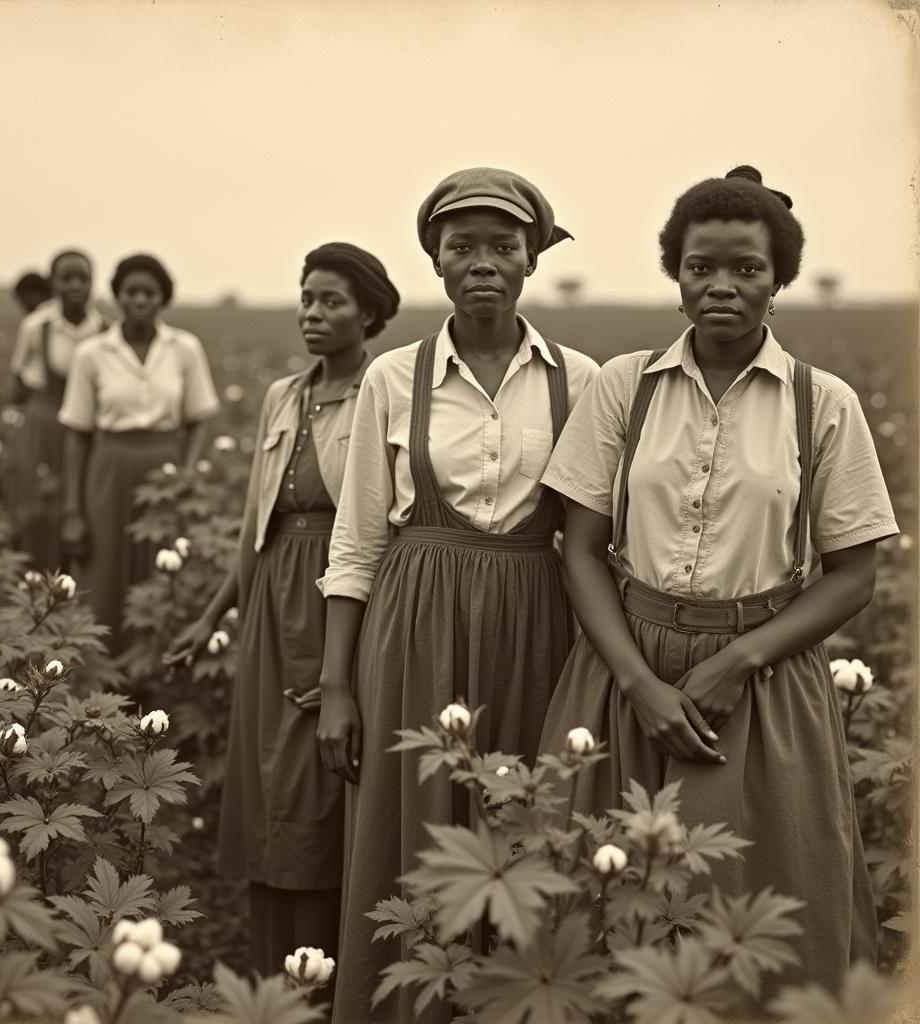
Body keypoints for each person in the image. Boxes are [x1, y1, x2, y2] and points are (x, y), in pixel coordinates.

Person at [537, 166, 898, 999]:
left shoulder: (823, 403)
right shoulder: (624, 387)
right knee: (602, 904)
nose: (722, 286)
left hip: (763, 681)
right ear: (677, 275)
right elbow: (581, 550)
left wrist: (739, 663)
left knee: (757, 911)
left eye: (748, 269)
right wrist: (640, 686)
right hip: (622, 671)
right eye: (701, 267)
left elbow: (853, 576)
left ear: (779, 281)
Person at [316, 168, 600, 1023]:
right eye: (462, 246)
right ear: (434, 261)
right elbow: (359, 537)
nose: (483, 262)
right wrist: (336, 685)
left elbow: (590, 536)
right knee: (418, 820)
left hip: (533, 618)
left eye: (503, 246)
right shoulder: (393, 379)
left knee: (522, 822)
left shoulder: (577, 379)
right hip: (417, 618)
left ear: (531, 258)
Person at [163, 242, 400, 992]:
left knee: (319, 781)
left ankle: (323, 973)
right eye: (306, 298)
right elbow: (253, 525)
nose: (313, 313)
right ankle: (271, 971)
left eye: (331, 300)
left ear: (367, 312)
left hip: (334, 598)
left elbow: (375, 528)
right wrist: (210, 617)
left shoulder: (381, 392)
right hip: (271, 601)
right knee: (269, 778)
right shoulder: (282, 397)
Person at [58, 253, 220, 656]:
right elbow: (77, 435)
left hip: (164, 468)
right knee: (104, 568)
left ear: (163, 299)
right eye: (131, 292)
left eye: (150, 292)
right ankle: (105, 669)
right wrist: (73, 510)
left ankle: (156, 669)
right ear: (117, 297)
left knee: (161, 567)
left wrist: (187, 475)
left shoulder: (184, 348)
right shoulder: (92, 353)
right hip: (109, 466)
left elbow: (199, 418)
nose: (140, 300)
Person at [8, 250, 107, 571]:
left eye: (83, 278)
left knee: (84, 499)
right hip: (46, 419)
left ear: (93, 282)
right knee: (41, 501)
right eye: (67, 278)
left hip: (87, 425)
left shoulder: (104, 328)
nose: (75, 285)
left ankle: (78, 577)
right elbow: (19, 376)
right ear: (54, 283)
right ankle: (40, 576)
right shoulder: (37, 326)